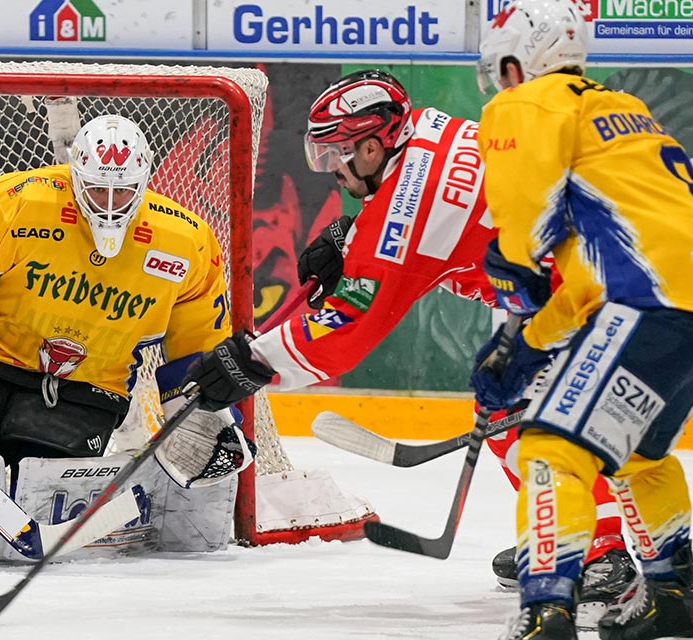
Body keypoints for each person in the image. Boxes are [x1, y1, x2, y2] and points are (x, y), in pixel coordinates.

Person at [182, 68, 634, 624]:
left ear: (373, 146)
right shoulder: (425, 130)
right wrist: (354, 235)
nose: (332, 172)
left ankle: (600, 552)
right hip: (578, 269)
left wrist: (256, 361)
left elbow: (347, 327)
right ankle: (562, 532)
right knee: (508, 409)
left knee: (542, 424)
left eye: (337, 156)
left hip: (590, 290)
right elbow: (433, 211)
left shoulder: (408, 206)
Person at [0, 113, 254, 494]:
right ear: (75, 176)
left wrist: (206, 416)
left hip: (86, 390)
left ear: (143, 184)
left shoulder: (186, 242)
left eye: (122, 192)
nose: (108, 205)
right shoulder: (18, 203)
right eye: (95, 190)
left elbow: (199, 346)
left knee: (37, 481)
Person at [468, 0, 693, 638]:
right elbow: (601, 267)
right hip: (676, 310)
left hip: (645, 306)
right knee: (637, 459)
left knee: (549, 449)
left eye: (502, 70)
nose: (501, 84)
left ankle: (546, 612)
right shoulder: (624, 114)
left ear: (517, 62)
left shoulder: (526, 104)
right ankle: (676, 594)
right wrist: (530, 344)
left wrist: (512, 268)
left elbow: (523, 229)